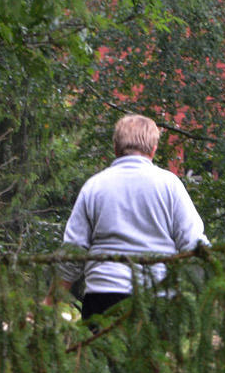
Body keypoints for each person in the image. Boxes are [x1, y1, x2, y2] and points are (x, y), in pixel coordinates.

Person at [53, 114, 209, 320]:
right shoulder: (170, 185)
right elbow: (194, 243)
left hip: (102, 297)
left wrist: (51, 302)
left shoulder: (94, 186)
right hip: (156, 298)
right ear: (153, 150)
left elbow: (73, 251)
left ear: (115, 148)